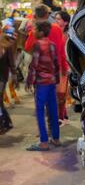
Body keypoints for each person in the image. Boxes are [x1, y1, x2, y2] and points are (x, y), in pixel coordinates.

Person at [25, 21, 60, 151]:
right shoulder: (52, 45)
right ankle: (56, 139)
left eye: (35, 29)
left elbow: (34, 66)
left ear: (40, 32)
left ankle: (44, 142)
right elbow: (56, 65)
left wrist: (29, 81)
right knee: (53, 111)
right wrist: (55, 80)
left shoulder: (37, 45)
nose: (33, 31)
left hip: (41, 84)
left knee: (40, 112)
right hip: (51, 83)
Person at [54, 11, 71, 125]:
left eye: (58, 19)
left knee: (61, 93)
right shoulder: (55, 33)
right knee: (59, 93)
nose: (56, 21)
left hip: (64, 68)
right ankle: (63, 115)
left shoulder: (69, 36)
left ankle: (60, 117)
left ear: (65, 22)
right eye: (56, 18)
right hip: (55, 67)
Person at [0, 28, 17, 135]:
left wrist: (14, 74)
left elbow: (11, 61)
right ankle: (5, 123)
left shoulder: (7, 43)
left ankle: (4, 123)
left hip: (2, 77)